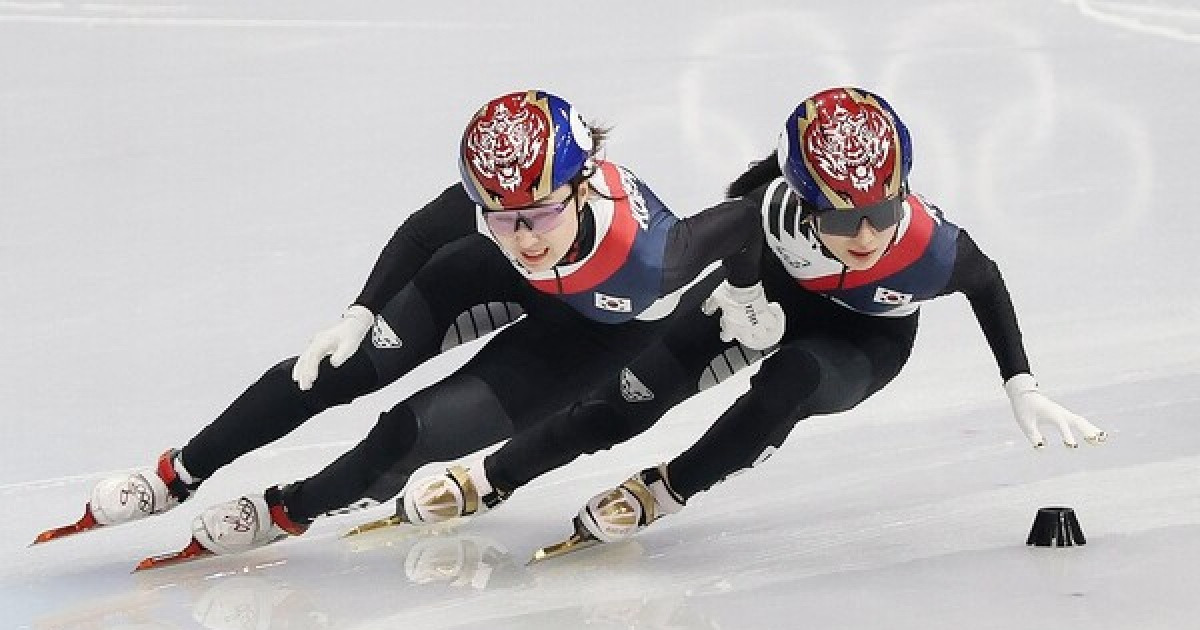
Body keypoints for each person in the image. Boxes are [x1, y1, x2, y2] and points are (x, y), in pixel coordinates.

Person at [54, 90, 784, 556]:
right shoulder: (502, 205)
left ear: (584, 182)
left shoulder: (654, 257)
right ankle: (179, 472)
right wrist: (360, 310)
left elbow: (748, 218)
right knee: (331, 370)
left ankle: (288, 511)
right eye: (502, 217)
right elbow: (421, 232)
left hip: (593, 332)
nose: (525, 235)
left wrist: (748, 296)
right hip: (490, 281)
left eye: (539, 215)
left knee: (409, 432)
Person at [400, 86, 1107, 550]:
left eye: (881, 212)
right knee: (625, 399)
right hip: (766, 296)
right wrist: (740, 293)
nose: (865, 235)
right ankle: (491, 477)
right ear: (801, 200)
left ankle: (664, 490)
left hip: (863, 338)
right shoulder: (770, 212)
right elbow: (726, 240)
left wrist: (1022, 383)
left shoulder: (930, 248)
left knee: (789, 382)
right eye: (840, 216)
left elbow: (987, 286)